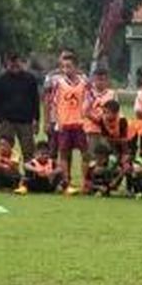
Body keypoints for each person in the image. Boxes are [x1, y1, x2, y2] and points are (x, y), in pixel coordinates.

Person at [0, 53, 40, 160]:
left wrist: (36, 119)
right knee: (3, 151)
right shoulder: (1, 80)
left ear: (21, 62)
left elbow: (35, 100)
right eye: (11, 62)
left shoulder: (30, 79)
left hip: (25, 121)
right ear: (7, 63)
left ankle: (30, 175)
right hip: (6, 121)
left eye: (17, 62)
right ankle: (5, 175)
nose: (14, 65)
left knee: (29, 151)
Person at [52, 52, 88, 194]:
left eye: (69, 66)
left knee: (85, 153)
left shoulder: (84, 83)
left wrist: (85, 117)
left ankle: (86, 183)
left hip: (80, 124)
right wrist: (56, 121)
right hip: (64, 124)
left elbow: (88, 101)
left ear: (76, 67)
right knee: (64, 153)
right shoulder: (59, 83)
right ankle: (66, 182)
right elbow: (54, 103)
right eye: (64, 67)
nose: (66, 69)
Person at [83, 68, 116, 150]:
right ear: (94, 79)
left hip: (106, 130)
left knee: (105, 154)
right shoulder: (89, 93)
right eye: (98, 79)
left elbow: (115, 111)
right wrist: (98, 120)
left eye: (103, 80)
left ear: (107, 81)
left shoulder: (112, 94)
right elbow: (85, 111)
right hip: (91, 130)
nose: (100, 82)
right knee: (91, 156)